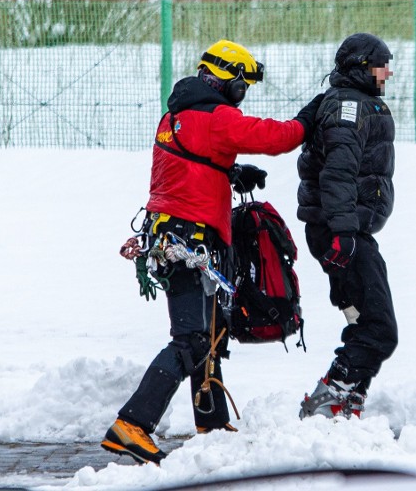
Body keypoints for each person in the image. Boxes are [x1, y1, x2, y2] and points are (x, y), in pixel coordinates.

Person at [102, 39, 322, 464]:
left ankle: (213, 423)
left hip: (171, 235)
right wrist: (307, 119)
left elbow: (184, 166)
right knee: (190, 340)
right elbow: (275, 137)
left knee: (209, 336)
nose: (244, 93)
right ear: (228, 79)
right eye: (243, 84)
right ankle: (131, 425)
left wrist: (229, 170)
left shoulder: (177, 115)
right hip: (190, 242)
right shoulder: (217, 117)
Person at [296, 33, 397, 420]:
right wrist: (342, 233)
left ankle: (346, 402)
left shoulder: (355, 102)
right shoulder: (348, 107)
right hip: (341, 232)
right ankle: (328, 399)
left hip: (347, 230)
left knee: (364, 321)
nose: (387, 72)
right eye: (380, 65)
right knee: (379, 327)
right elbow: (338, 173)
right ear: (359, 67)